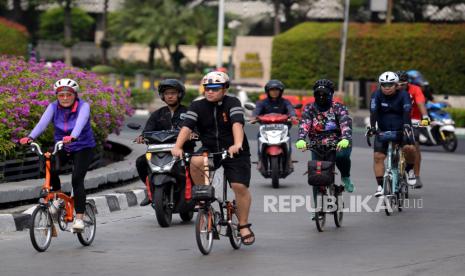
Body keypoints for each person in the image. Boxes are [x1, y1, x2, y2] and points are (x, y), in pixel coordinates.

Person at [171, 71, 255, 245]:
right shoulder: (197, 105)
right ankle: (204, 198)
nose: (210, 92)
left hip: (235, 150)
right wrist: (178, 146)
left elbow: (237, 124)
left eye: (215, 88)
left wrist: (237, 144)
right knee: (195, 160)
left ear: (224, 89)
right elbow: (187, 127)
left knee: (239, 186)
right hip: (210, 148)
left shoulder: (233, 102)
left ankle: (243, 224)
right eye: (207, 88)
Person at [20, 78, 96, 231]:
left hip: (83, 147)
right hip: (61, 145)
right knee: (49, 164)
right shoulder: (53, 107)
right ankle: (58, 196)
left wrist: (73, 136)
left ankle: (79, 219)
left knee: (77, 179)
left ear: (75, 95)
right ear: (57, 96)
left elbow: (81, 121)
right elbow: (42, 123)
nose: (65, 98)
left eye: (69, 95)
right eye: (61, 95)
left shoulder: (83, 106)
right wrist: (30, 137)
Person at [295, 79, 354, 215]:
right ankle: (317, 209)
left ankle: (345, 177)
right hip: (317, 143)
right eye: (318, 94)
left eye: (324, 94)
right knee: (316, 174)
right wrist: (301, 139)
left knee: (342, 157)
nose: (321, 97)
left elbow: (345, 123)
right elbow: (304, 123)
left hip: (338, 142)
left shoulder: (338, 108)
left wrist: (345, 138)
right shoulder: (309, 108)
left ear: (331, 94)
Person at [135, 79, 195, 206]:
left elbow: (197, 129)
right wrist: (142, 136)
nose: (170, 96)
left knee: (195, 164)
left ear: (179, 94)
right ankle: (150, 190)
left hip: (183, 150)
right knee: (141, 162)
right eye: (167, 93)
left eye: (173, 93)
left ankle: (196, 193)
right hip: (159, 151)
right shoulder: (157, 114)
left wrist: (194, 134)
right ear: (162, 96)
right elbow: (147, 131)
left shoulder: (189, 112)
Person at [367, 71, 417, 197]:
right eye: (384, 85)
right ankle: (380, 186)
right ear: (380, 85)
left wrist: (406, 125)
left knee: (409, 148)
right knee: (378, 156)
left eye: (390, 84)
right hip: (383, 130)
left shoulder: (404, 95)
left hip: (402, 128)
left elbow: (407, 110)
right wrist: (373, 127)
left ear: (396, 85)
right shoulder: (376, 95)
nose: (387, 87)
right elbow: (373, 111)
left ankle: (410, 169)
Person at [251, 79, 297, 170]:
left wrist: (293, 116)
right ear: (268, 91)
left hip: (283, 127)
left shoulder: (285, 102)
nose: (274, 92)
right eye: (272, 90)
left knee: (288, 138)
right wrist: (254, 117)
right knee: (259, 136)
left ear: (281, 91)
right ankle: (260, 159)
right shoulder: (262, 102)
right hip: (266, 127)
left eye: (277, 90)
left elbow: (290, 109)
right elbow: (256, 110)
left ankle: (288, 159)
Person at [397, 71, 430, 189]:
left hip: (413, 120)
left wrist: (425, 117)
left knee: (415, 145)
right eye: (398, 84)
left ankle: (416, 175)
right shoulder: (391, 89)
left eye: (403, 84)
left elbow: (421, 103)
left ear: (408, 83)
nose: (400, 87)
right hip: (396, 120)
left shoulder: (415, 89)